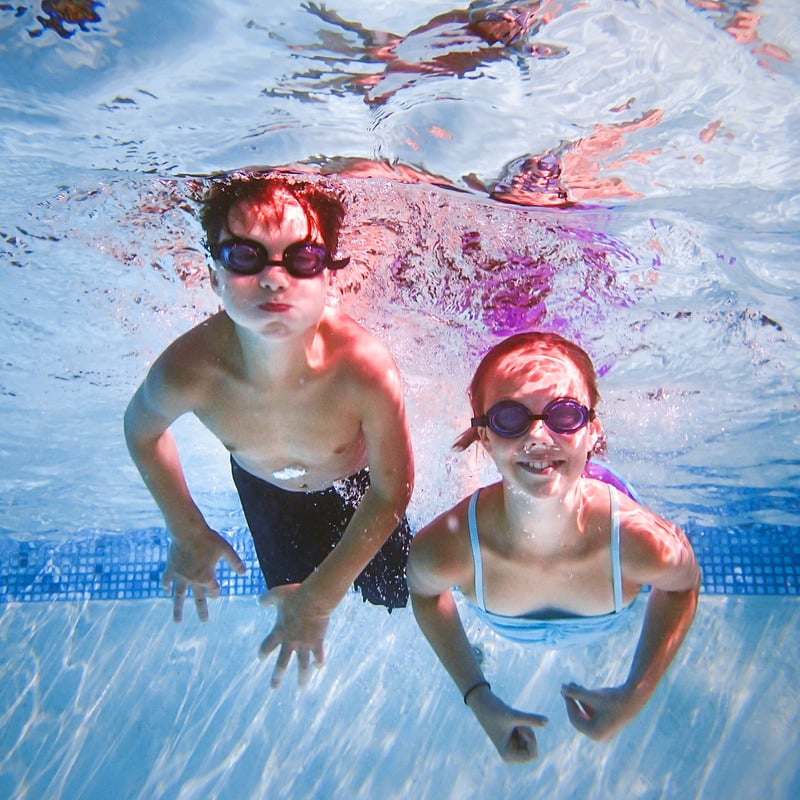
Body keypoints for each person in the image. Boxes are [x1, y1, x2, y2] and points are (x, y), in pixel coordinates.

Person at [124, 172, 414, 687]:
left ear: (329, 277)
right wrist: (187, 529)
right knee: (289, 600)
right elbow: (141, 430)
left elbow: (393, 489)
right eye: (243, 256)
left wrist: (324, 596)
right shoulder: (191, 370)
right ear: (213, 276)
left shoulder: (363, 369)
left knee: (395, 591)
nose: (274, 279)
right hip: (268, 491)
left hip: (359, 485)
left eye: (301, 258)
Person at [407, 331, 700, 762]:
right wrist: (478, 698)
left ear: (592, 431)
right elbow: (424, 593)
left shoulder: (641, 543)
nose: (539, 436)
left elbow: (682, 585)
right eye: (509, 418)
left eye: (564, 416)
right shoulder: (448, 549)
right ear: (485, 438)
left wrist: (637, 693)